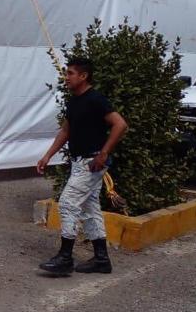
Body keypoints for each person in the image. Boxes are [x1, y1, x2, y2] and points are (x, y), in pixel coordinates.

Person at [35, 57, 128, 276]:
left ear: (83, 76)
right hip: (80, 162)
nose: (66, 78)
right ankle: (101, 260)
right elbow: (66, 131)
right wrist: (47, 155)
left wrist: (103, 153)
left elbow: (120, 124)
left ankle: (65, 258)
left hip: (91, 163)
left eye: (70, 74)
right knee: (89, 208)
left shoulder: (96, 99)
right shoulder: (74, 101)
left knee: (67, 204)